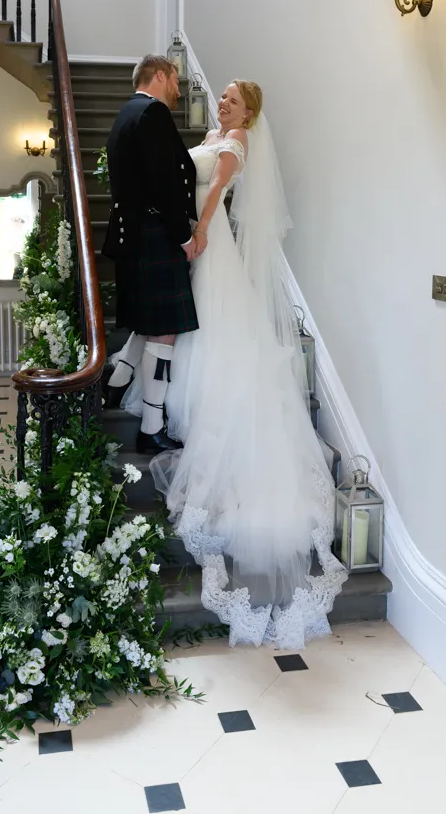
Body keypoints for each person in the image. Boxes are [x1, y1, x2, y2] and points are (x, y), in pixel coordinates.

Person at [119, 80, 347, 649]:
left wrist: (196, 233)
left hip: (208, 241)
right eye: (221, 98)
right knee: (178, 325)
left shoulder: (236, 141)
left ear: (249, 113)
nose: (223, 104)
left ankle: (145, 381)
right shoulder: (211, 133)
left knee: (208, 327)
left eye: (233, 101)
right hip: (190, 239)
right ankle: (136, 375)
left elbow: (215, 189)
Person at [102, 55, 199, 454]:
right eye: (175, 79)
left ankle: (118, 377)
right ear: (160, 74)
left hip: (135, 236)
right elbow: (164, 184)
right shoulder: (153, 113)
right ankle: (151, 427)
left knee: (150, 325)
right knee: (164, 332)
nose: (179, 89)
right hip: (154, 235)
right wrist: (184, 236)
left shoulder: (126, 114)